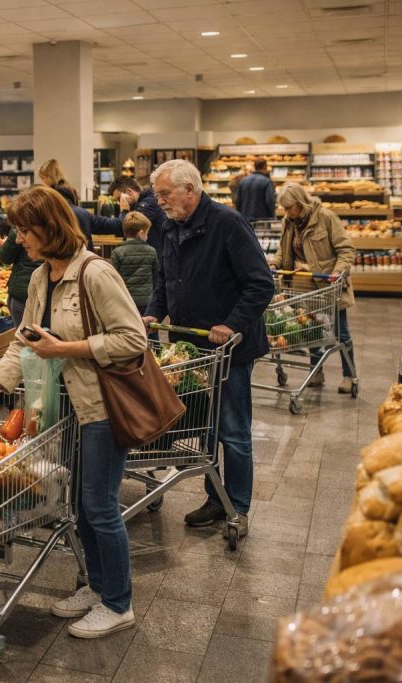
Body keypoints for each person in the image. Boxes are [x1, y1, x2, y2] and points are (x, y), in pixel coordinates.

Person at [0, 186, 147, 639]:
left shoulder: (96, 274)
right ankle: (98, 587)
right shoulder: (44, 276)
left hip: (101, 406)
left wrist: (66, 347)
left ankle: (119, 604)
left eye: (26, 230)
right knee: (82, 506)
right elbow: (24, 338)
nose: (19, 239)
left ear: (50, 228)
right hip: (64, 409)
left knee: (100, 506)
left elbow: (133, 339)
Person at [143, 159, 275, 535]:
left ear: (191, 190)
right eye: (157, 194)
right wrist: (154, 313)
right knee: (208, 426)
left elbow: (260, 284)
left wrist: (231, 324)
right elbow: (166, 281)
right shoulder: (171, 227)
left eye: (165, 194)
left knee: (233, 430)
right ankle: (215, 498)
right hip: (190, 350)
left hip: (228, 350)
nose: (160, 201)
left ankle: (237, 507)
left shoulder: (228, 224)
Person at [272, 182, 358, 393]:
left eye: (290, 207)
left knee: (341, 333)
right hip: (302, 285)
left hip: (327, 284)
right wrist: (274, 263)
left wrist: (338, 272)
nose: (288, 212)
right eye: (285, 208)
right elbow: (283, 251)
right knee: (312, 330)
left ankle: (349, 376)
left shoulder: (325, 217)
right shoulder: (288, 222)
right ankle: (316, 371)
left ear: (301, 203)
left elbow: (346, 249)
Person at [38, 158, 119, 243]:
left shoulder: (50, 213)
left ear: (50, 178)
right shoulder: (82, 213)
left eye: (43, 178)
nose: (42, 183)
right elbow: (112, 226)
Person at [109, 211, 157, 316]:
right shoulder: (152, 251)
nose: (147, 236)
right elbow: (156, 277)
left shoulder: (117, 252)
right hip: (147, 302)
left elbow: (112, 278)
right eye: (147, 233)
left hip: (125, 300)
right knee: (149, 330)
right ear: (141, 233)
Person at [0, 220, 41, 327]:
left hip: (22, 293)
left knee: (25, 335)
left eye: (23, 231)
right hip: (28, 291)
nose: (19, 239)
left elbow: (5, 256)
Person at [105, 176, 167, 255]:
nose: (119, 203)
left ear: (129, 192)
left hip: (154, 259)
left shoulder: (148, 203)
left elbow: (127, 228)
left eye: (119, 199)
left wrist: (124, 210)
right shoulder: (141, 203)